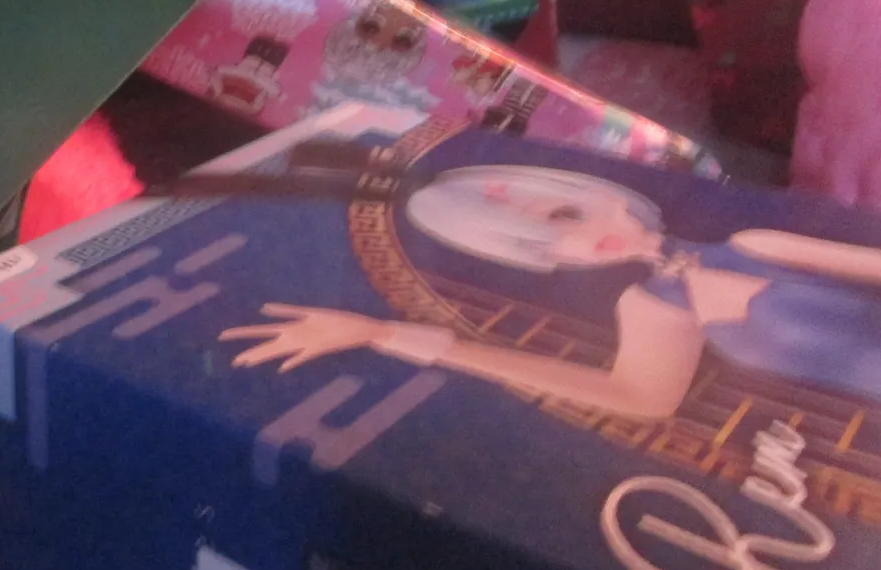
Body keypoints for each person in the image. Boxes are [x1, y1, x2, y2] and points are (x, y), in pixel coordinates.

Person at [220, 166, 881, 418]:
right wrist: (381, 334)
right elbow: (638, 399)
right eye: (542, 244)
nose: (578, 241)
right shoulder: (651, 308)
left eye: (565, 214)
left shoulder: (753, 243)